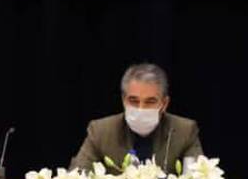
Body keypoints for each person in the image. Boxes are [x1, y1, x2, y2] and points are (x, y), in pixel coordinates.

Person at [70, 63, 203, 173]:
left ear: (164, 104)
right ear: (123, 101)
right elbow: (78, 176)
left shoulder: (185, 131)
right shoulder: (101, 131)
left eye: (150, 101)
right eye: (133, 101)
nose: (141, 108)